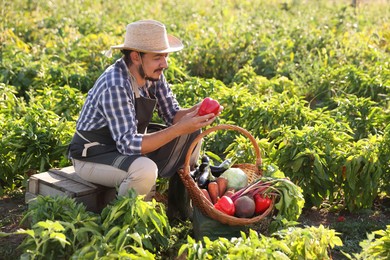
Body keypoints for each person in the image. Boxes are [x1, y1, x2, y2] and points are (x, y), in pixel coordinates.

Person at [68, 19, 222, 220]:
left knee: (192, 133)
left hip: (123, 146)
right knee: (145, 169)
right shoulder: (115, 83)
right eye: (158, 57)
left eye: (165, 56)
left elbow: (173, 115)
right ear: (136, 56)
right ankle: (124, 222)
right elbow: (129, 145)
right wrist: (178, 129)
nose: (165, 64)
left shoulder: (152, 74)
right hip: (94, 154)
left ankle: (179, 209)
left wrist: (199, 111)